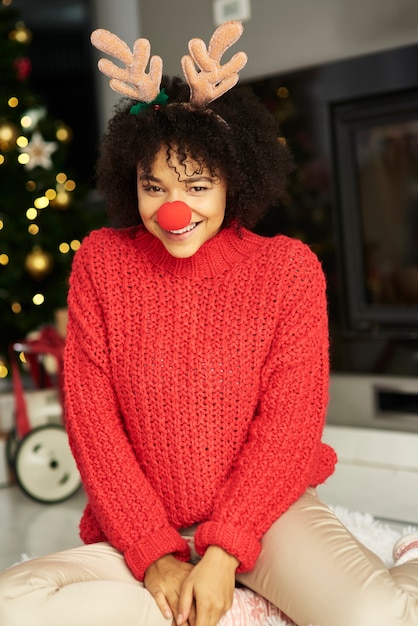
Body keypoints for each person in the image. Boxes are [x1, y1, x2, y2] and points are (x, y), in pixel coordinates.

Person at [1, 20, 418, 626]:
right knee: (14, 604)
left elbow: (290, 424)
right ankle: (237, 608)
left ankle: (398, 560)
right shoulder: (101, 261)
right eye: (155, 186)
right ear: (132, 182)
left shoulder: (287, 269)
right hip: (147, 525)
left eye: (197, 185)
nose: (175, 209)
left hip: (266, 516)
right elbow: (92, 423)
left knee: (384, 618)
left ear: (234, 182)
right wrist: (154, 554)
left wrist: (224, 550)